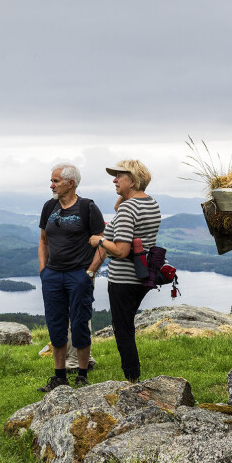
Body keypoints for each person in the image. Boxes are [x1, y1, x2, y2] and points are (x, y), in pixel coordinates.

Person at [89, 160, 161, 382]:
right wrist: (125, 193)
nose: (114, 179)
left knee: (123, 330)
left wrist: (99, 240)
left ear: (134, 180)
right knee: (126, 325)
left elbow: (121, 250)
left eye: (120, 176)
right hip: (142, 276)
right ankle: (133, 375)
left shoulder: (129, 208)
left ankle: (132, 379)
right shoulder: (151, 203)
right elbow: (118, 208)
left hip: (123, 278)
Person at [37, 163, 105, 391]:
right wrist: (43, 270)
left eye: (55, 181)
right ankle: (59, 376)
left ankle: (83, 375)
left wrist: (90, 272)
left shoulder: (87, 208)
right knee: (55, 324)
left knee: (79, 323)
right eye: (52, 180)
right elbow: (43, 240)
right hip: (53, 276)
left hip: (79, 274)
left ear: (70, 183)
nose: (51, 185)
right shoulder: (49, 206)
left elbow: (101, 244)